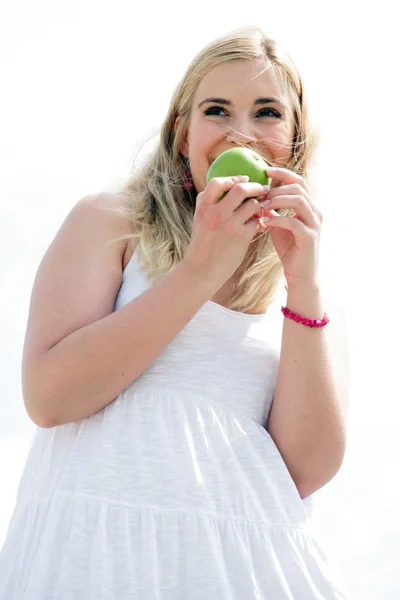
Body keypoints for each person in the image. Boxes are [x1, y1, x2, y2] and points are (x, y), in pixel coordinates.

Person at [0, 26, 351, 599]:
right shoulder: (111, 220)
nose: (242, 132)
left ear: (295, 141)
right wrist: (201, 269)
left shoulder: (311, 287)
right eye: (217, 110)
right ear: (182, 133)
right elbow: (49, 395)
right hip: (98, 555)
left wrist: (303, 282)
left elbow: (305, 471)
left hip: (250, 569)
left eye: (267, 112)